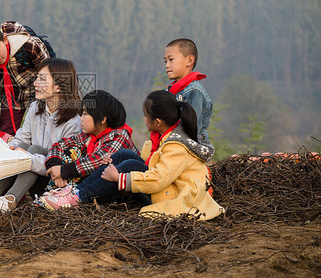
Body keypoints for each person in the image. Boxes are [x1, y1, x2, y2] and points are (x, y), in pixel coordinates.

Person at [40, 90, 225, 221]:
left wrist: (120, 178)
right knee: (124, 155)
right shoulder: (167, 139)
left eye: (146, 115)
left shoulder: (176, 147)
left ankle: (79, 197)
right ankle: (75, 192)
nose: (143, 119)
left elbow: (159, 179)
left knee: (128, 165)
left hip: (174, 197)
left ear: (158, 121)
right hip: (166, 188)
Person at [0, 58, 82, 214]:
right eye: (37, 78)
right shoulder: (35, 108)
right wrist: (10, 148)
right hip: (32, 176)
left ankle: (10, 200)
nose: (35, 83)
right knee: (22, 146)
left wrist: (29, 158)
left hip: (55, 183)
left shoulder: (73, 122)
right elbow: (22, 138)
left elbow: (63, 164)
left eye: (42, 79)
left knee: (35, 149)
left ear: (59, 86)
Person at [43, 89, 138, 191]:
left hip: (118, 191)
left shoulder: (120, 135)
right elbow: (60, 144)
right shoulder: (88, 136)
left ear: (102, 119)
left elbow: (98, 160)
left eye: (85, 113)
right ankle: (60, 192)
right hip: (92, 184)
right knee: (69, 150)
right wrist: (55, 167)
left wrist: (63, 171)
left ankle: (70, 194)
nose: (81, 118)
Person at [0, 21, 51, 135]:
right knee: (6, 132)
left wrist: (46, 103)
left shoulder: (29, 45)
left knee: (41, 126)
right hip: (10, 96)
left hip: (38, 90)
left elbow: (48, 75)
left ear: (4, 39)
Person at [163, 38, 212, 143]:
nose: (167, 65)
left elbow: (190, 131)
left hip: (188, 148)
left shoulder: (195, 92)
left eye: (171, 59)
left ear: (189, 60)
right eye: (165, 61)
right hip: (170, 144)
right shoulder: (168, 92)